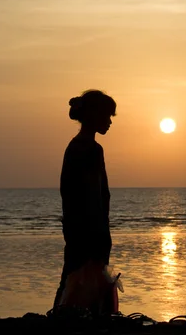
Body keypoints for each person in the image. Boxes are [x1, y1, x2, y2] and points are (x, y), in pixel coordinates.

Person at [54, 89, 117, 311]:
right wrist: (98, 232)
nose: (110, 122)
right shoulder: (88, 149)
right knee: (81, 282)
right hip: (88, 230)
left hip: (79, 228)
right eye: (107, 116)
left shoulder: (79, 147)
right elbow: (92, 195)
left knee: (74, 279)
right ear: (93, 115)